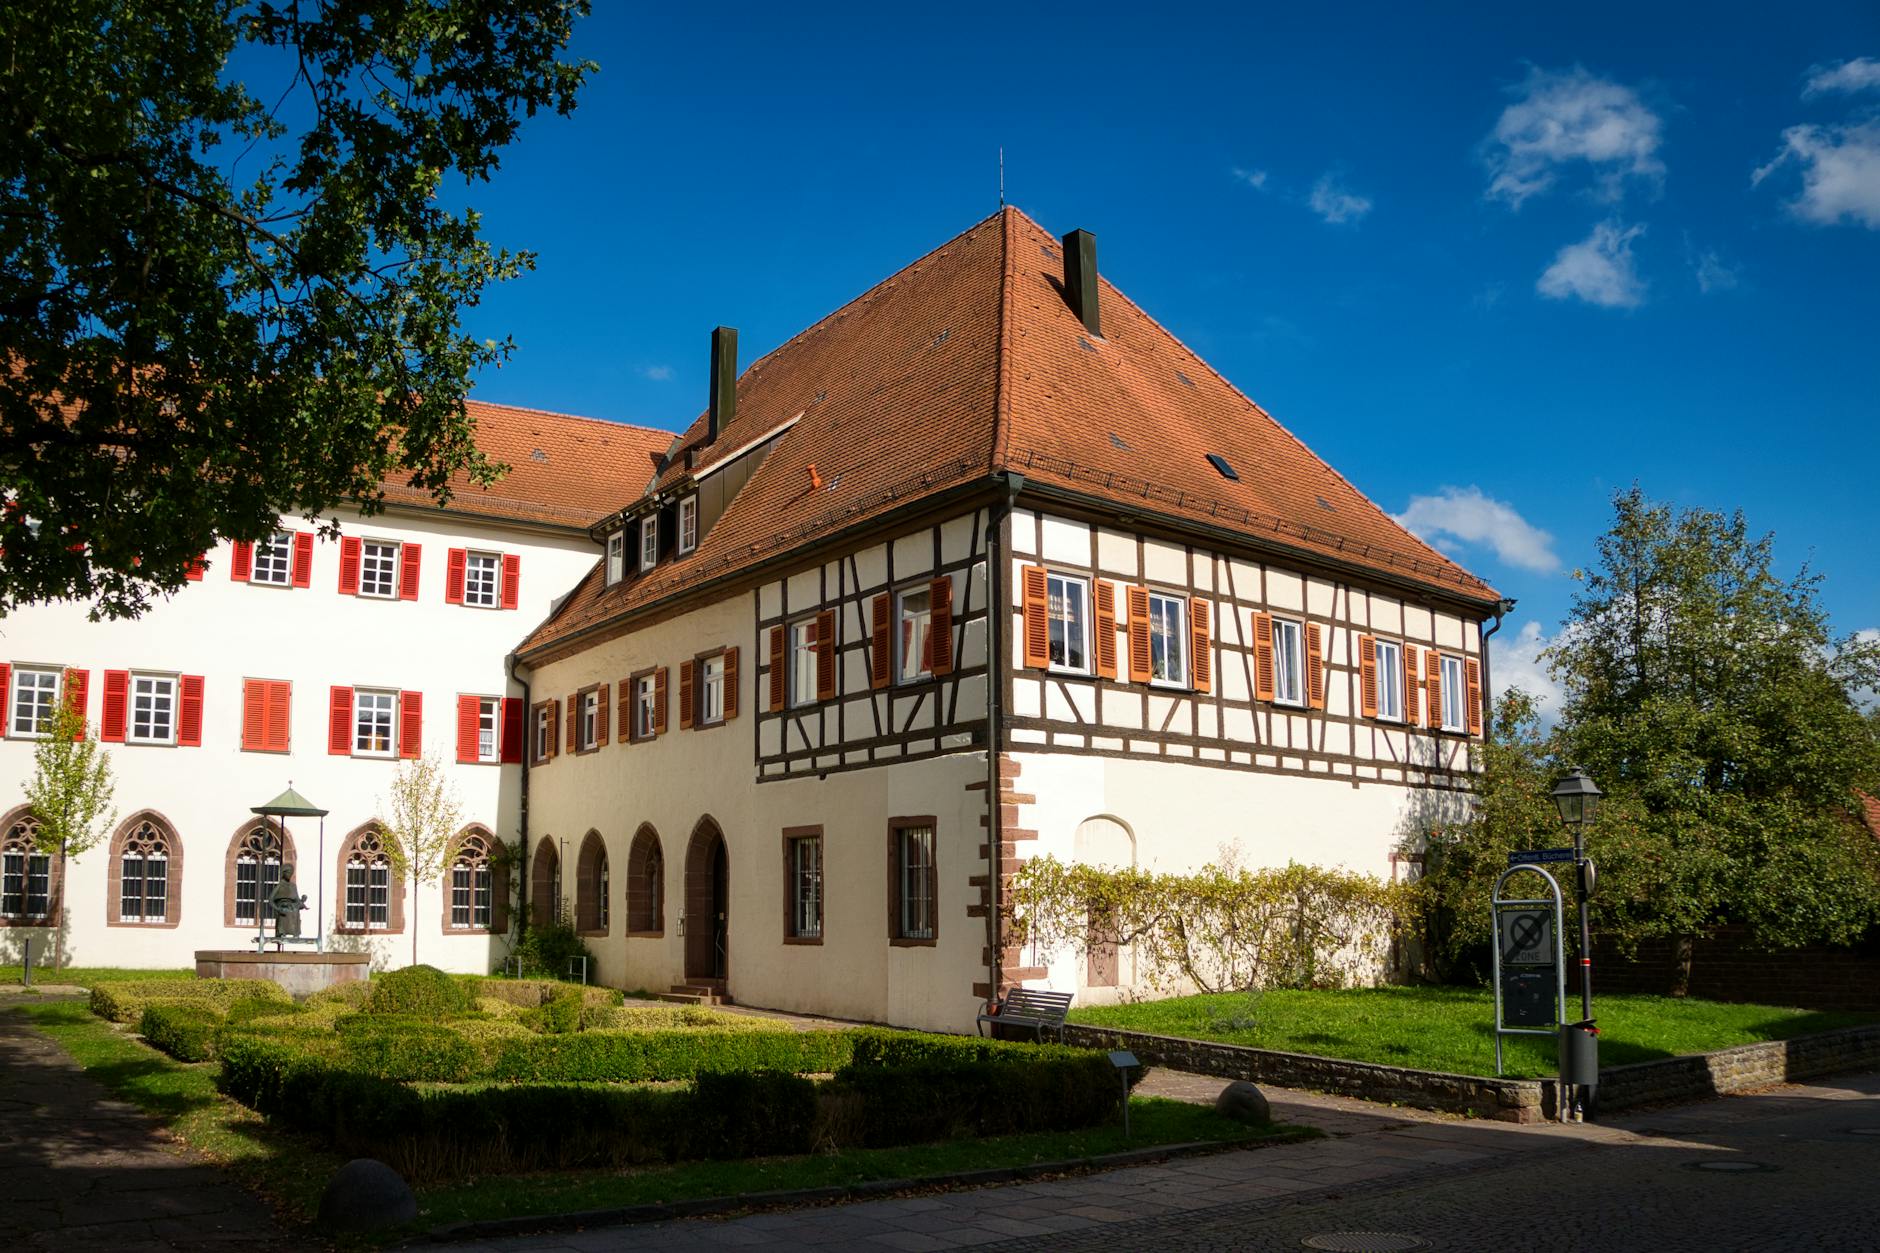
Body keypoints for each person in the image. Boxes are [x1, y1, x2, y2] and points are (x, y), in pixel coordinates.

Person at [271, 864, 308, 943]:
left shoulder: (293, 886)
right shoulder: (280, 885)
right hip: (282, 906)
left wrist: (302, 902)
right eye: (288, 873)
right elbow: (270, 900)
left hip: (292, 906)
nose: (290, 875)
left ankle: (295, 933)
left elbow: (297, 900)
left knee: (295, 909)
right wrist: (278, 909)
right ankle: (282, 932)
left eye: (291, 873)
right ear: (284, 873)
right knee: (286, 909)